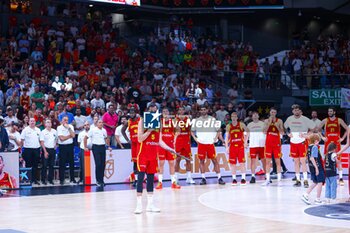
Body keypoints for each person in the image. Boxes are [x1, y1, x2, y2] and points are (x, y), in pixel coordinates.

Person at [134, 103, 177, 214]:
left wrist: (169, 148)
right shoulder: (142, 121)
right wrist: (149, 130)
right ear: (148, 110)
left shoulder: (159, 123)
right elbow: (139, 139)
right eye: (152, 110)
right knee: (140, 179)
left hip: (153, 155)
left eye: (156, 110)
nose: (154, 112)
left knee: (150, 179)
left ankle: (150, 205)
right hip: (143, 154)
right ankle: (138, 206)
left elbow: (159, 141)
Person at [191, 106, 225, 185]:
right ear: (200, 111)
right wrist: (195, 139)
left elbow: (218, 130)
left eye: (204, 109)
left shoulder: (212, 119)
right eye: (201, 109)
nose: (203, 111)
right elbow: (192, 131)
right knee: (202, 161)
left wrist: (216, 138)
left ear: (207, 110)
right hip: (201, 144)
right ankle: (203, 178)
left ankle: (219, 177)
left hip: (210, 143)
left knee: (214, 160)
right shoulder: (196, 120)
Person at [284, 104, 315, 188]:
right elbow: (284, 127)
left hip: (302, 142)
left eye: (297, 110)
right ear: (292, 111)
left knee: (303, 161)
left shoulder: (305, 119)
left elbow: (313, 128)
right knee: (296, 162)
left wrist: (307, 135)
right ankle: (298, 180)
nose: (296, 111)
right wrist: (288, 133)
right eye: (294, 110)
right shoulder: (289, 119)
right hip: (293, 142)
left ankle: (305, 180)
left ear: (300, 111)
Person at [318, 107, 348, 186]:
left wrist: (343, 138)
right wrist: (322, 137)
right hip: (327, 143)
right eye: (328, 111)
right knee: (326, 161)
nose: (329, 112)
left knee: (338, 160)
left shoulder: (339, 120)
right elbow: (318, 129)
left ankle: (341, 178)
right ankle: (325, 177)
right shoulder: (325, 120)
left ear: (334, 112)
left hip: (336, 143)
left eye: (331, 111)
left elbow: (347, 129)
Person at [156, 108, 181, 190]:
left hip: (170, 145)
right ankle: (160, 182)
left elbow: (179, 130)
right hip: (162, 145)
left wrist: (175, 138)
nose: (165, 113)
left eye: (166, 111)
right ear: (162, 113)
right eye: (163, 111)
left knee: (171, 163)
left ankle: (173, 182)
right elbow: (158, 133)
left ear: (169, 112)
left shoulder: (173, 121)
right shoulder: (160, 121)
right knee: (161, 163)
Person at [84, 119, 112, 187]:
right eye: (99, 122)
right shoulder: (93, 130)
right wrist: (85, 147)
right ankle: (98, 181)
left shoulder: (104, 130)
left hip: (102, 147)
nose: (101, 123)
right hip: (96, 147)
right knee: (98, 164)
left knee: (103, 164)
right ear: (96, 124)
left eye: (102, 122)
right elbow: (85, 138)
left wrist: (108, 146)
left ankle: (102, 180)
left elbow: (106, 138)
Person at [225, 111, 249, 185]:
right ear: (231, 118)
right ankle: (234, 179)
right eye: (232, 117)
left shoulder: (241, 124)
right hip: (232, 146)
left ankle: (243, 178)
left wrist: (245, 142)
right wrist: (226, 147)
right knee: (233, 164)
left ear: (237, 118)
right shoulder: (228, 126)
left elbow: (248, 132)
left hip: (240, 146)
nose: (234, 118)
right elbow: (226, 137)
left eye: (235, 117)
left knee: (242, 163)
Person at [262, 108, 284, 186]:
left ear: (276, 113)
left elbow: (283, 133)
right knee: (267, 162)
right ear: (270, 113)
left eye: (274, 112)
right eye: (272, 112)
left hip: (277, 143)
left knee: (278, 161)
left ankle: (279, 180)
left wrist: (277, 126)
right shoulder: (266, 121)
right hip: (268, 143)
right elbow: (264, 131)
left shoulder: (280, 121)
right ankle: (267, 179)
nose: (273, 113)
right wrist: (269, 123)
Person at [301, 134, 324, 205]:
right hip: (317, 167)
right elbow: (312, 158)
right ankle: (318, 199)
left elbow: (309, 158)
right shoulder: (314, 147)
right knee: (320, 182)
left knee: (315, 182)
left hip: (311, 167)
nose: (318, 143)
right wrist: (317, 168)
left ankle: (306, 194)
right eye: (318, 141)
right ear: (315, 141)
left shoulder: (309, 147)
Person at [174, 107, 195, 184]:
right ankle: (176, 178)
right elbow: (174, 129)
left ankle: (189, 177)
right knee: (177, 159)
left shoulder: (188, 118)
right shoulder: (175, 119)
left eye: (182, 110)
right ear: (178, 111)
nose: (181, 111)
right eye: (180, 110)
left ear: (184, 111)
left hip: (186, 139)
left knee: (188, 159)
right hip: (179, 139)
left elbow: (190, 129)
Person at [121, 108, 140, 187]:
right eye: (130, 113)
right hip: (134, 144)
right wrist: (128, 140)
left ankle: (143, 179)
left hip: (140, 143)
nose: (131, 115)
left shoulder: (140, 120)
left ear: (136, 113)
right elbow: (122, 131)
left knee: (142, 161)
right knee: (135, 163)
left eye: (133, 113)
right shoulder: (128, 122)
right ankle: (136, 180)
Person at [21, 118, 41, 185]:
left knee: (35, 165)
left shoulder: (38, 130)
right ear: (28, 122)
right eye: (31, 121)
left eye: (33, 121)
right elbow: (22, 140)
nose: (32, 122)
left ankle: (35, 180)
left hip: (36, 149)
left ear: (35, 122)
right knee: (28, 165)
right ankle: (28, 180)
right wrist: (21, 150)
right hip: (28, 150)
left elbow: (41, 140)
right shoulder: (25, 130)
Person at [247, 112, 266, 184]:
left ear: (258, 116)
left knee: (264, 161)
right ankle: (253, 176)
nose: (255, 116)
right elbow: (247, 134)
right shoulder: (249, 125)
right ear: (252, 117)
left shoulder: (263, 124)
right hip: (253, 145)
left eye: (256, 115)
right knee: (253, 161)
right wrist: (245, 142)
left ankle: (266, 175)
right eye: (253, 115)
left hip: (262, 145)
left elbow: (266, 133)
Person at [57, 116, 76, 185]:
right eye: (64, 120)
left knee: (72, 163)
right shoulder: (59, 127)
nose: (66, 121)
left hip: (70, 146)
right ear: (62, 121)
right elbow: (61, 138)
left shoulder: (70, 126)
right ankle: (62, 179)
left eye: (67, 120)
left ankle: (72, 179)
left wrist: (68, 128)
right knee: (62, 163)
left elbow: (73, 136)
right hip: (62, 147)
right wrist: (69, 136)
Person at [39, 119, 57, 185]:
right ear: (45, 124)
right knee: (44, 165)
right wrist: (45, 151)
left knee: (51, 165)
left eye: (50, 122)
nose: (49, 123)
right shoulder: (43, 132)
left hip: (53, 150)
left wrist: (56, 145)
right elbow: (42, 142)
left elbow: (57, 139)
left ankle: (50, 179)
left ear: (51, 124)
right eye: (47, 122)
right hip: (45, 149)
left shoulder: (54, 131)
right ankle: (43, 180)